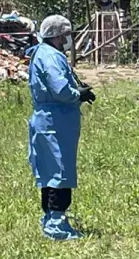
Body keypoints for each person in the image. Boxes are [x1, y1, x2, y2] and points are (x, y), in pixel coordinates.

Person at [27, 15, 96, 240]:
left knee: (48, 172)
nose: (69, 39)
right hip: (56, 123)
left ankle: (49, 217)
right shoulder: (51, 57)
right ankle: (57, 223)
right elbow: (60, 89)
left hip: (48, 120)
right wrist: (78, 94)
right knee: (60, 172)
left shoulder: (42, 53)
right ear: (58, 36)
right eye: (67, 35)